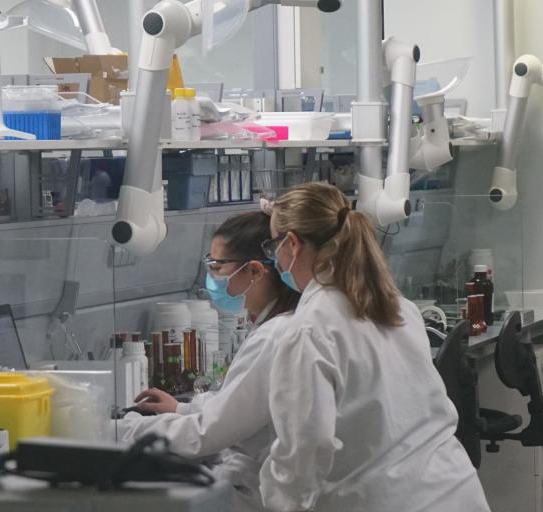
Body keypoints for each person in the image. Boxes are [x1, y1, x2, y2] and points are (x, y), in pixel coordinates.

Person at [259, 182, 490, 512]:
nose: (275, 260)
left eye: (274, 246)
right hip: (454, 490)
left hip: (389, 501)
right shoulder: (398, 307)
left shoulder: (309, 329)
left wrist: (279, 501)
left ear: (293, 244)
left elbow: (307, 445)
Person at [117, 211, 299, 512]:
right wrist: (182, 408)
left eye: (217, 267)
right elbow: (236, 406)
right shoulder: (278, 325)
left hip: (257, 494)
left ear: (255, 272)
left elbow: (206, 434)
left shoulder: (273, 337)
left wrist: (121, 431)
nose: (211, 277)